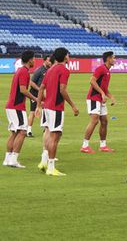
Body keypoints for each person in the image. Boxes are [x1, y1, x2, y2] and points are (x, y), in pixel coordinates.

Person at [37, 47, 79, 176]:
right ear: (65, 57)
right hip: (56, 107)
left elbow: (41, 88)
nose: (68, 56)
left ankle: (44, 161)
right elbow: (62, 90)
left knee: (49, 133)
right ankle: (51, 167)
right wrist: (73, 105)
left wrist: (39, 105)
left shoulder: (49, 70)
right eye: (68, 54)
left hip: (47, 106)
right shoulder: (64, 70)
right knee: (55, 137)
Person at [4, 51, 36, 168]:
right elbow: (23, 90)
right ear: (29, 60)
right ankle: (14, 159)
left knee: (14, 132)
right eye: (33, 59)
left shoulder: (19, 71)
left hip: (11, 105)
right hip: (17, 106)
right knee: (22, 131)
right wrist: (35, 99)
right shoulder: (24, 72)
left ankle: (7, 159)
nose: (35, 61)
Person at [81, 51, 117, 153]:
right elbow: (92, 81)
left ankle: (103, 145)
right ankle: (84, 146)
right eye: (114, 58)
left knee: (104, 121)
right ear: (108, 59)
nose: (115, 59)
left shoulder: (108, 71)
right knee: (94, 120)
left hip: (100, 99)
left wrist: (111, 96)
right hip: (93, 98)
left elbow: (104, 88)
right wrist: (102, 93)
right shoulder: (101, 68)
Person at [29, 55, 52, 157]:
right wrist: (39, 90)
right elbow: (31, 82)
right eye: (48, 60)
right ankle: (29, 130)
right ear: (44, 61)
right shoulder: (39, 70)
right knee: (33, 112)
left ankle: (45, 129)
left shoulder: (49, 70)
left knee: (45, 110)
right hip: (34, 93)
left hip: (43, 94)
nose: (50, 62)